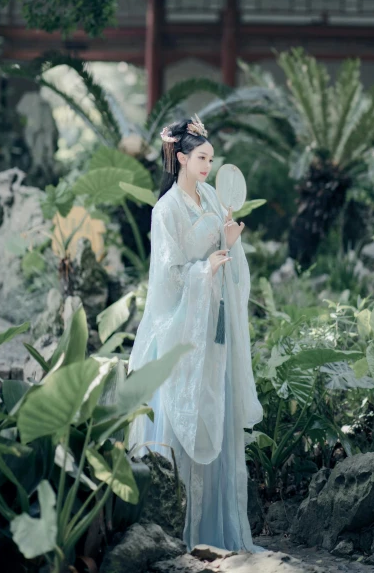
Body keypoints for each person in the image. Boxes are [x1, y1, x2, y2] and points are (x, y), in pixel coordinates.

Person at [127, 115, 265, 553]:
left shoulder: (210, 196)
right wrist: (206, 267)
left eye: (211, 158)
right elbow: (168, 277)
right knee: (181, 415)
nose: (208, 165)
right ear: (181, 157)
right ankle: (176, 537)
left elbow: (227, 254)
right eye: (201, 157)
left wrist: (230, 242)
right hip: (182, 329)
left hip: (214, 323)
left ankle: (216, 533)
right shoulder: (165, 210)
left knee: (217, 411)